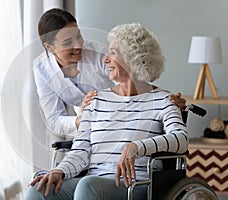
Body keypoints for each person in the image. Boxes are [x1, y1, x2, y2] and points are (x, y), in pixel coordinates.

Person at [25, 23, 188, 200]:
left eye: (113, 53)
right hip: (91, 183)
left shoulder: (164, 100)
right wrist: (59, 171)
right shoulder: (96, 101)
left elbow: (181, 139)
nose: (105, 59)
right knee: (39, 189)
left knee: (89, 186)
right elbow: (80, 150)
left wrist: (137, 147)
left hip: (137, 185)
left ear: (134, 58)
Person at [33, 8, 186, 142]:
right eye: (67, 42)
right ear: (50, 47)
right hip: (89, 129)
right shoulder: (42, 69)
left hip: (123, 120)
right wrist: (84, 120)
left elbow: (131, 82)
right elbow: (54, 121)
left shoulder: (98, 54)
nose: (78, 45)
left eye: (79, 36)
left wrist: (162, 99)